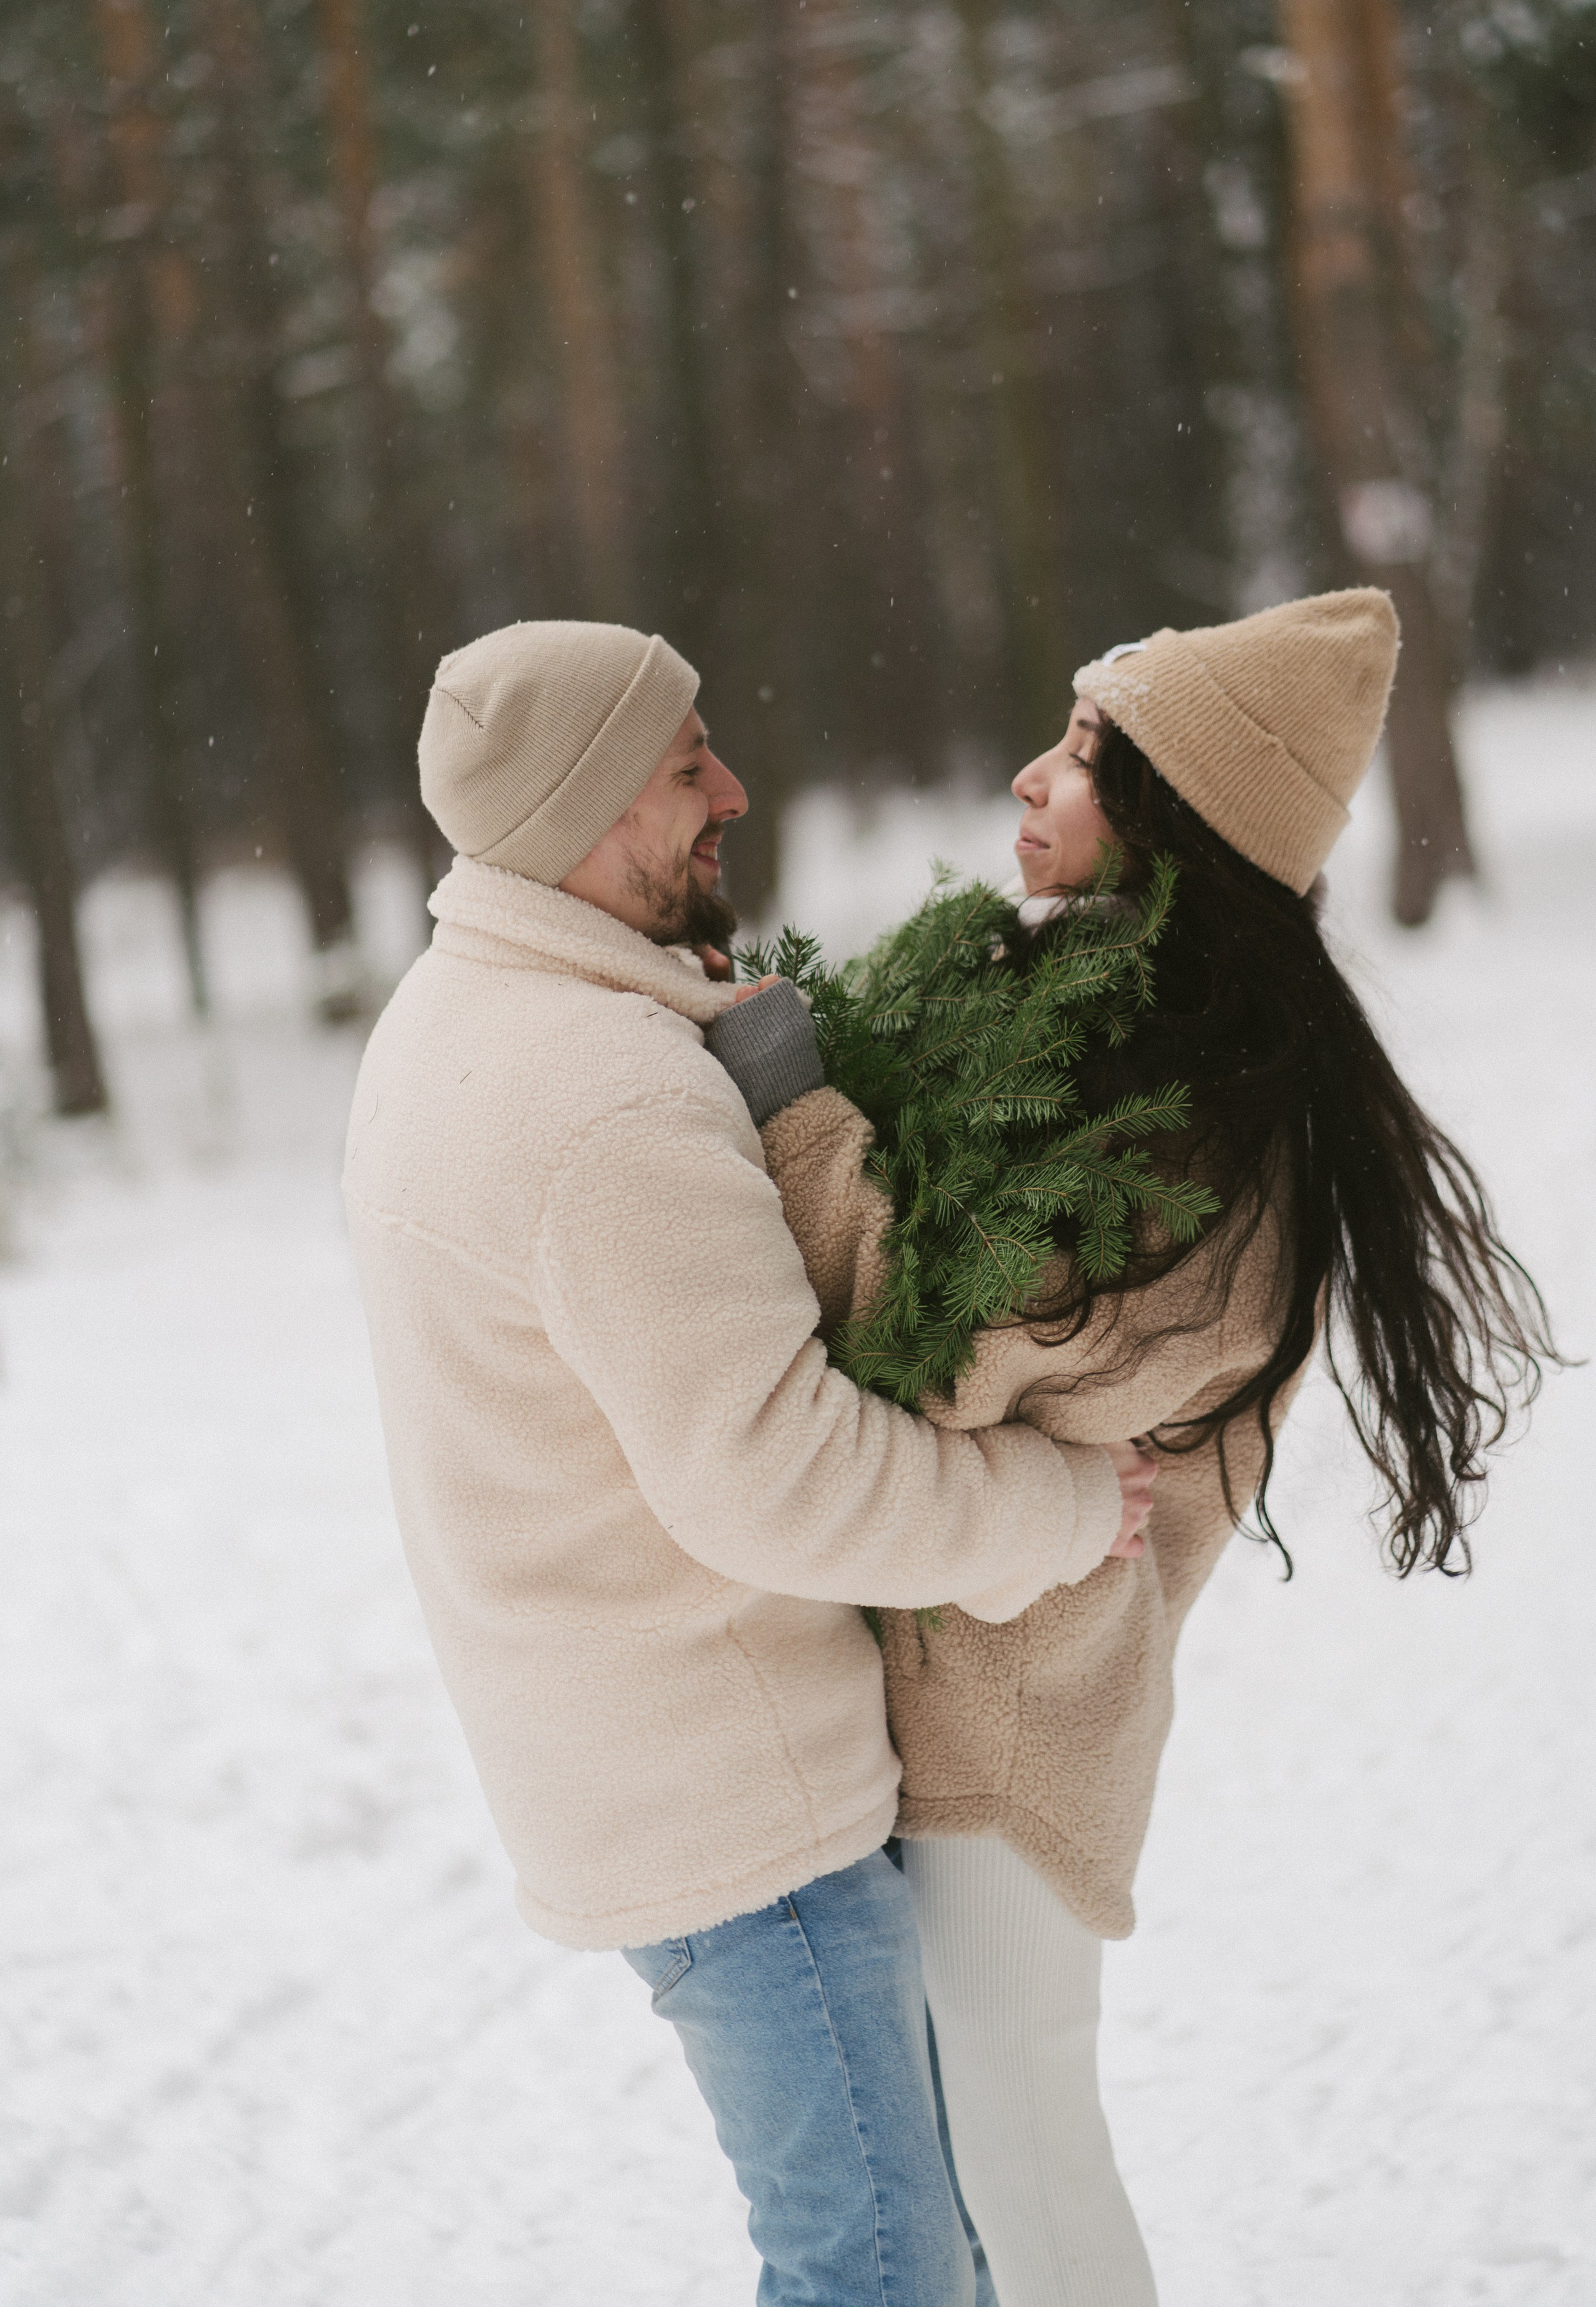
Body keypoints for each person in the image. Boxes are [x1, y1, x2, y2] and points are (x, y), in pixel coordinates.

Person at [720, 590, 1550, 2305]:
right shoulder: (1112, 1048)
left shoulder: (1185, 1140)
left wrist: (802, 1116)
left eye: (1088, 757)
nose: (1031, 778)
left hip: (1017, 1740)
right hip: (967, 1692)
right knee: (968, 2171)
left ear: (1183, 826)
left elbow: (930, 1356)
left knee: (1025, 2179)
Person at [341, 618, 1151, 2307]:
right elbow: (776, 1476)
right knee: (879, 2265)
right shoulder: (599, 1103)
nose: (735, 790)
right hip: (740, 1816)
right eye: (685, 764)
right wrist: (1056, 1513)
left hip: (649, 1768)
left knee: (930, 2240)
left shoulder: (462, 1018)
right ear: (579, 805)